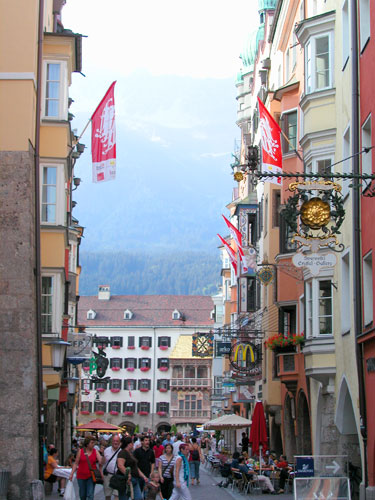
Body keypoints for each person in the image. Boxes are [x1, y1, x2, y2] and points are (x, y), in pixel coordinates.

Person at [69, 435, 103, 500]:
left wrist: (103, 455)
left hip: (91, 476)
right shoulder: (80, 451)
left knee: (90, 495)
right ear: (87, 444)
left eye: (94, 443)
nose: (93, 444)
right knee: (82, 495)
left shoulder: (95, 451)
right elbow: (76, 463)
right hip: (81, 476)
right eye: (92, 443)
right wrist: (71, 473)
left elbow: (101, 461)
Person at [103, 434, 122, 500]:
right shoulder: (106, 450)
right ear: (111, 442)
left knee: (117, 495)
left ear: (120, 442)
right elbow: (102, 463)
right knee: (107, 495)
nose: (115, 442)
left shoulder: (122, 451)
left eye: (117, 441)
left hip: (118, 476)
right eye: (114, 441)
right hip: (108, 475)